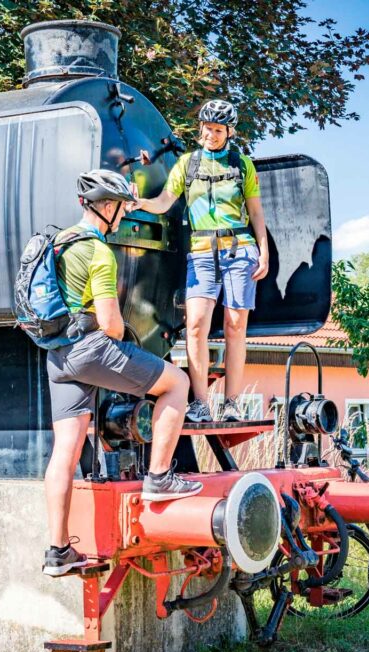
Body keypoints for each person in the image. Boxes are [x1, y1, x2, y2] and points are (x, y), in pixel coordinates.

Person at [43, 169, 203, 577]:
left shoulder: (58, 242)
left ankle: (58, 551)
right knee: (177, 383)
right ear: (109, 207)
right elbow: (111, 325)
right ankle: (160, 477)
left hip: (56, 356)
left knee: (66, 451)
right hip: (90, 350)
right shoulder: (99, 252)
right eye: (120, 208)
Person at [133, 99, 269, 423]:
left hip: (239, 249)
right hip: (202, 252)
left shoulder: (242, 165)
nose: (211, 134)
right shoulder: (187, 164)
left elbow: (256, 212)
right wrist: (138, 202)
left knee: (235, 326)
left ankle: (233, 403)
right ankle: (201, 403)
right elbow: (165, 201)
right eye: (207, 128)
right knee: (195, 326)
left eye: (218, 130)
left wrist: (263, 251)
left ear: (229, 132)